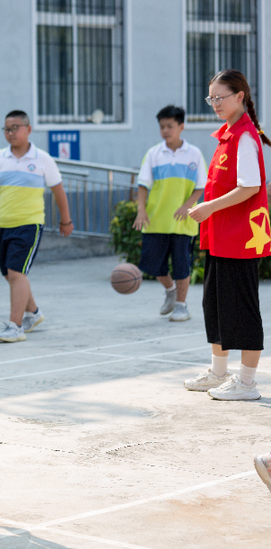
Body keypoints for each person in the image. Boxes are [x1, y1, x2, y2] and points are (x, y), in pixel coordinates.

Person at [185, 69, 271, 400]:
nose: (215, 104)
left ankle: (247, 383)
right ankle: (218, 373)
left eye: (220, 97)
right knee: (215, 305)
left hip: (240, 238)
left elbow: (250, 186)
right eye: (211, 98)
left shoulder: (245, 137)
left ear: (240, 96)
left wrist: (209, 207)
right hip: (221, 237)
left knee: (243, 310)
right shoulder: (226, 136)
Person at [0, 110, 72, 342]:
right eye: (6, 129)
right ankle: (34, 313)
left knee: (16, 273)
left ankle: (15, 326)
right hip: (2, 225)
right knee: (11, 276)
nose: (10, 133)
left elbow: (58, 190)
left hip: (29, 225)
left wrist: (65, 220)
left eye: (15, 128)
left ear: (28, 129)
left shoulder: (43, 159)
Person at [132, 105, 206, 322]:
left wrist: (187, 205)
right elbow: (143, 185)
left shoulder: (194, 154)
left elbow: (200, 186)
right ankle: (171, 291)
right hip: (156, 221)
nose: (165, 131)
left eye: (170, 126)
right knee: (153, 265)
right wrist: (141, 210)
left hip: (184, 223)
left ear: (181, 126)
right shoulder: (154, 154)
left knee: (182, 265)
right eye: (162, 127)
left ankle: (181, 306)